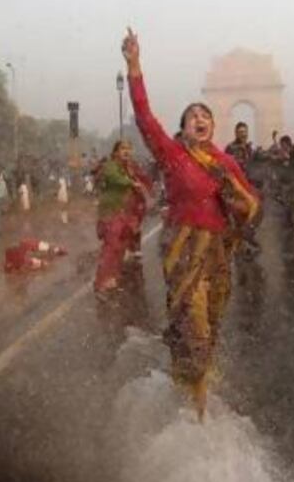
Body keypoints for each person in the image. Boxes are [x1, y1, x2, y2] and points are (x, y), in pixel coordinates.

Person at [122, 27, 259, 419]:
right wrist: (134, 67)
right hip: (184, 253)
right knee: (194, 331)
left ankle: (188, 386)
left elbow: (252, 202)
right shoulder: (172, 154)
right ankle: (197, 414)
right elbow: (145, 117)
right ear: (182, 128)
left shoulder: (224, 163)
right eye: (193, 116)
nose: (200, 119)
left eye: (206, 115)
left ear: (213, 127)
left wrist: (240, 201)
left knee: (208, 330)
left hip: (217, 255)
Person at [94, 140, 150, 293]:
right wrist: (132, 183)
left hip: (125, 211)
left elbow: (140, 179)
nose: (127, 151)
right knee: (111, 246)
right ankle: (101, 281)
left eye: (129, 148)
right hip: (111, 211)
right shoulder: (111, 165)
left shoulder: (128, 167)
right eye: (123, 149)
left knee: (121, 246)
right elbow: (115, 179)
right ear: (116, 151)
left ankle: (112, 276)